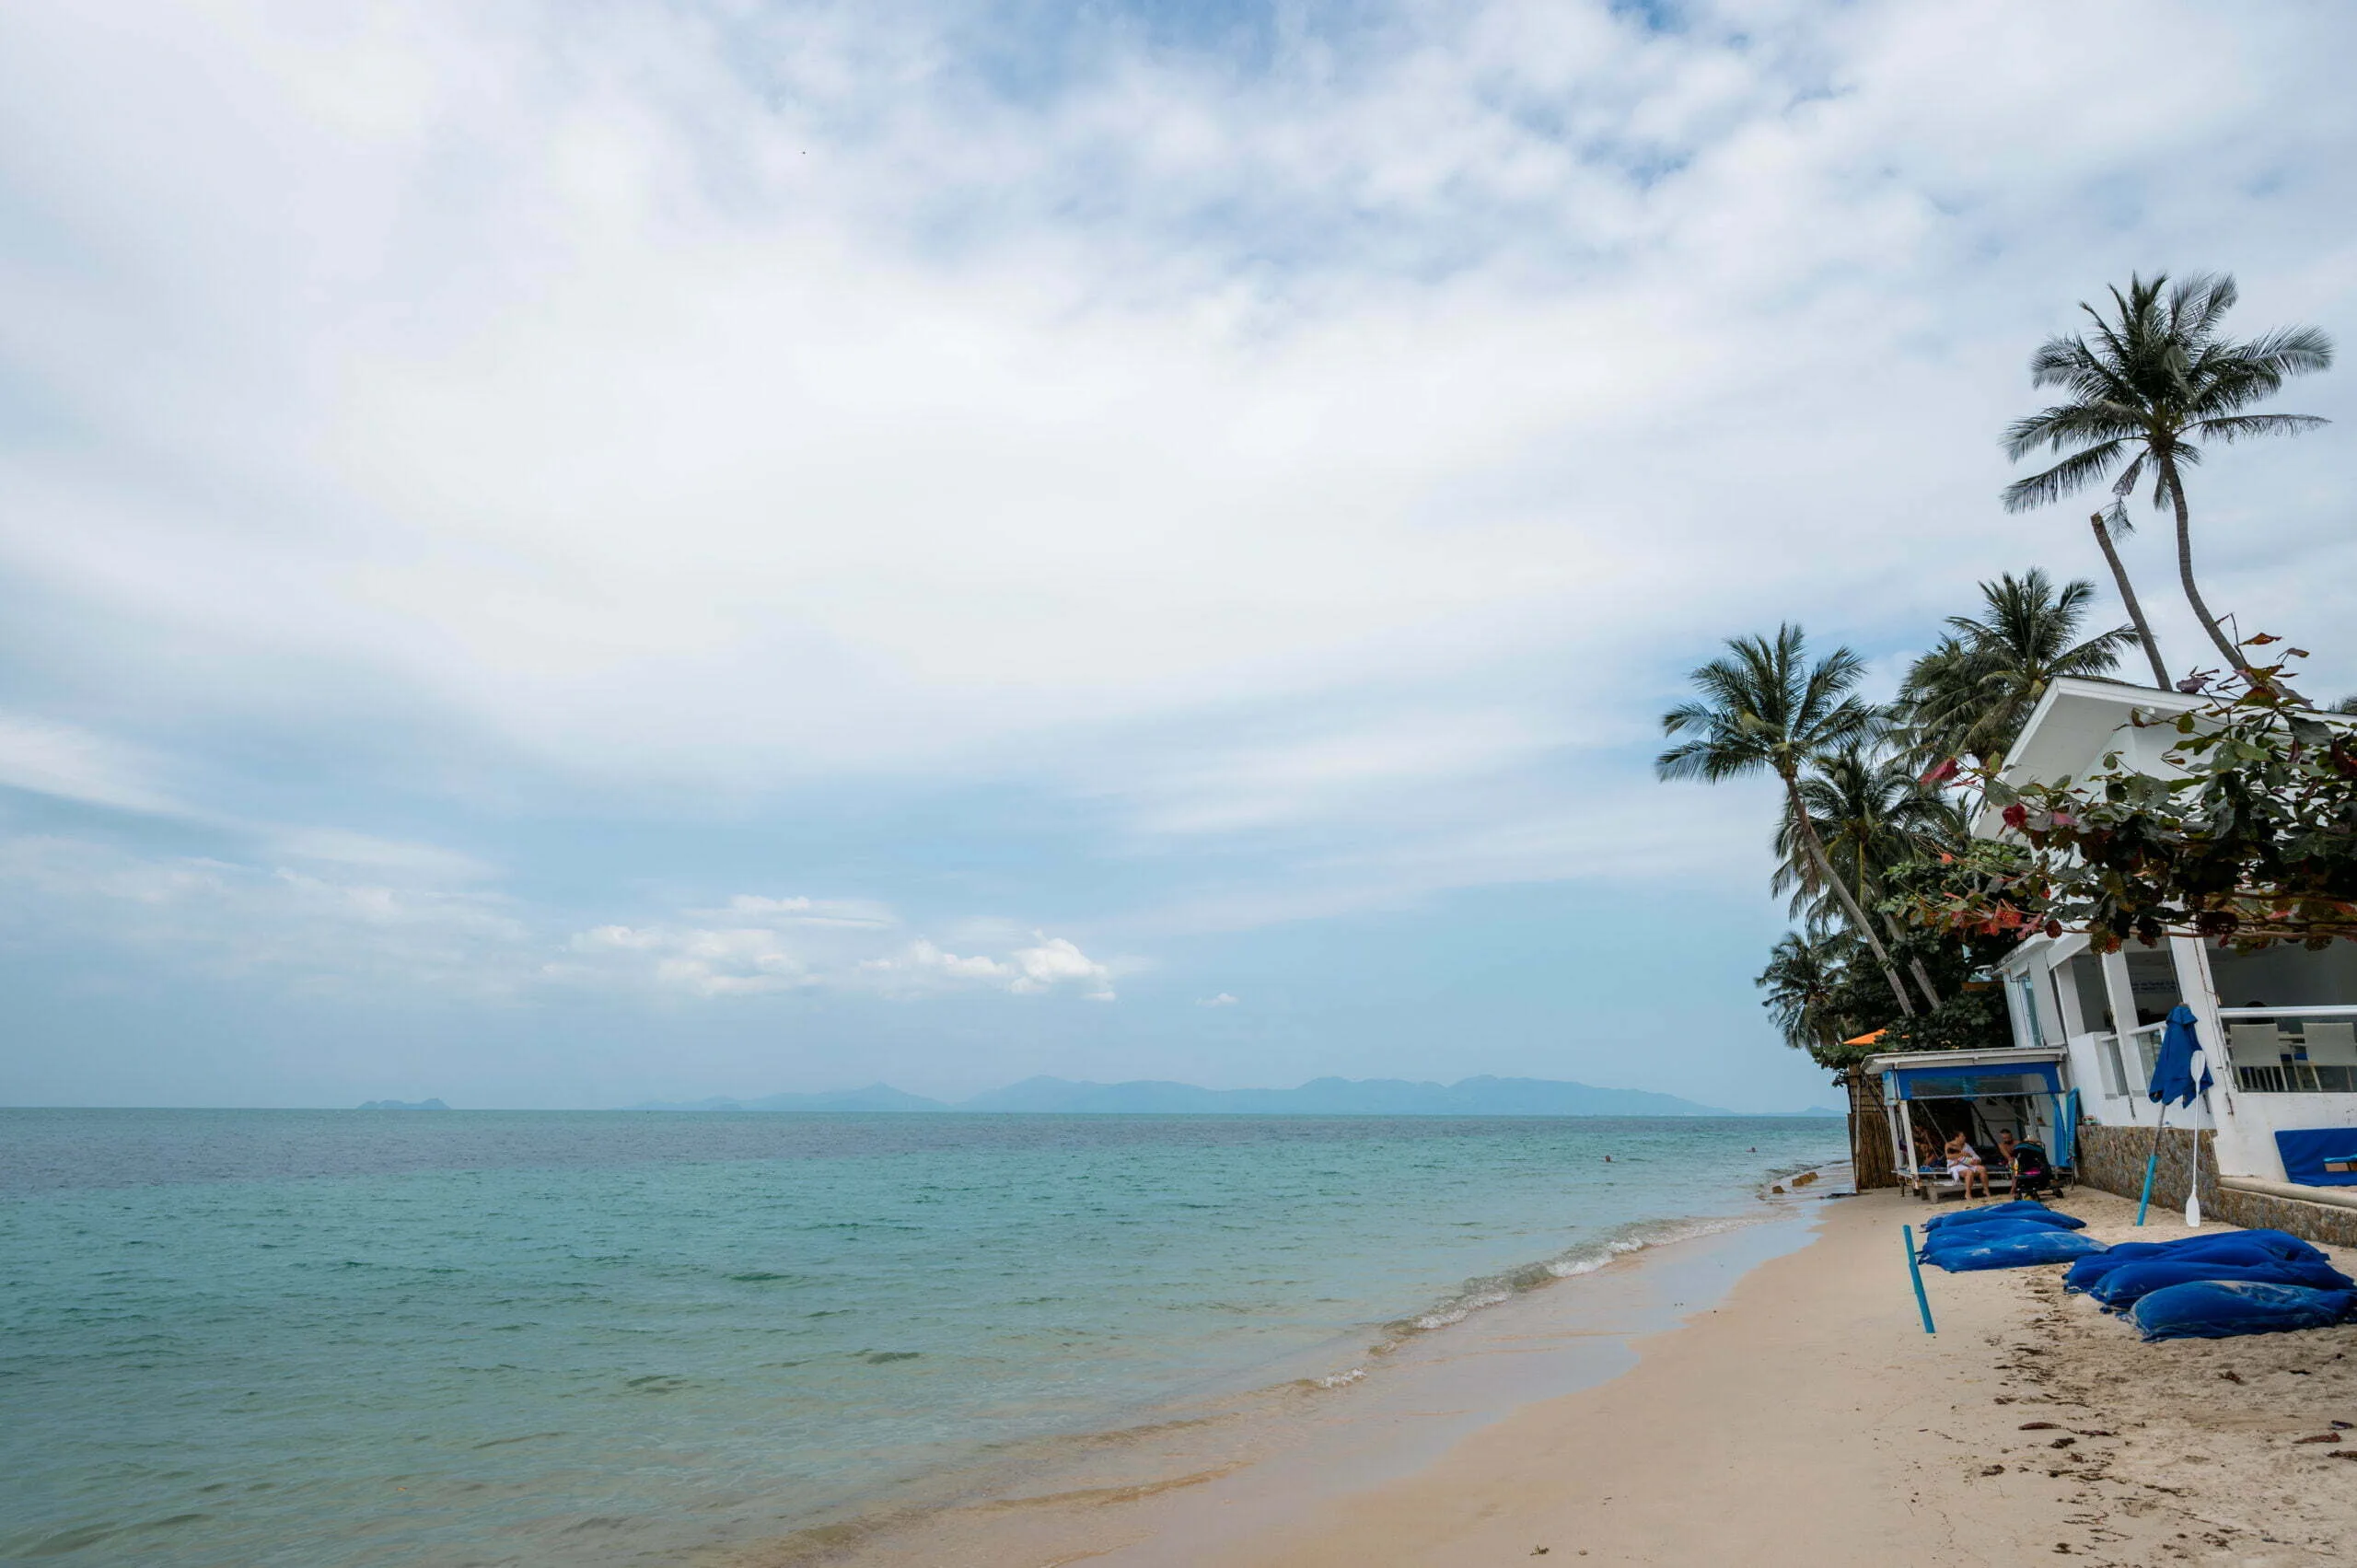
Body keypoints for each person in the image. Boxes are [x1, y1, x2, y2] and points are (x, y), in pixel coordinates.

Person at [1944, 1131, 1990, 1199]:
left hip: (1967, 1163)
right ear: (1956, 1138)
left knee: (1982, 1169)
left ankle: (1986, 1190)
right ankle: (1968, 1194)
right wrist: (1962, 1154)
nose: (1964, 1138)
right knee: (1969, 1172)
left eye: (1964, 1136)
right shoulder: (1949, 1144)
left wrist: (1977, 1160)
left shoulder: (1966, 1145)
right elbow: (1948, 1156)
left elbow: (1973, 1155)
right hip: (1954, 1165)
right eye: (1962, 1136)